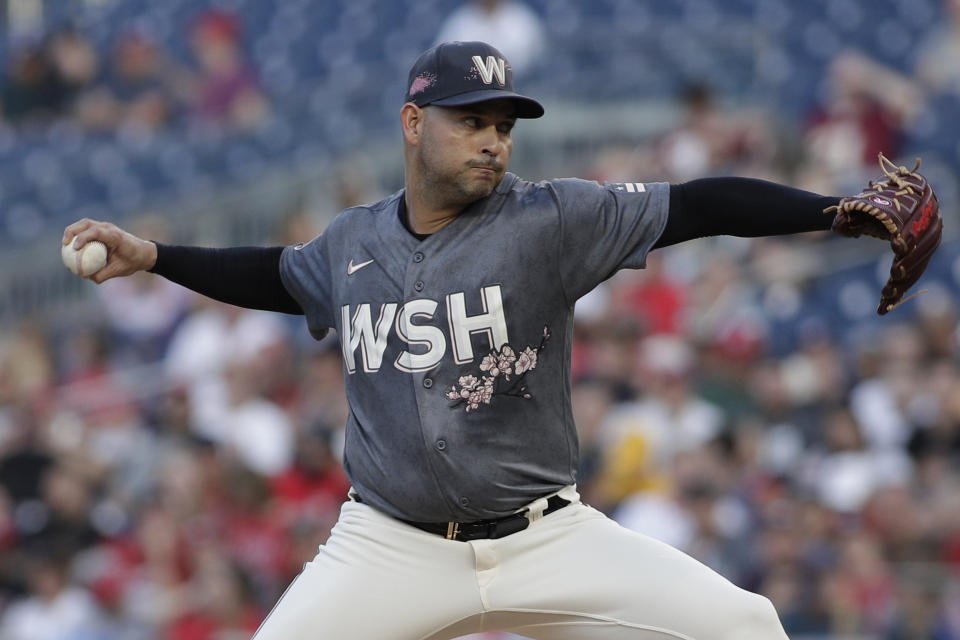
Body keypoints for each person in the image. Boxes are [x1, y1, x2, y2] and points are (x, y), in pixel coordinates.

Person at [62, 41, 933, 639]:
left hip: (546, 538)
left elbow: (697, 204)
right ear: (413, 125)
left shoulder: (549, 218)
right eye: (471, 120)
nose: (493, 142)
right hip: (390, 543)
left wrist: (831, 214)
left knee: (745, 626)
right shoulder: (351, 243)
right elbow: (276, 275)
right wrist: (157, 257)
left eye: (503, 125)